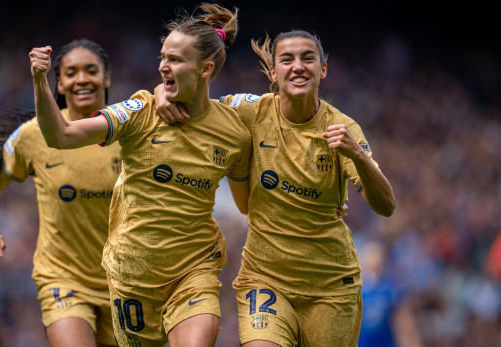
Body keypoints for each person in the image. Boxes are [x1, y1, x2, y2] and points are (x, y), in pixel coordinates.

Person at [28, 4, 251, 346]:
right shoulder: (141, 111)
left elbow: (248, 203)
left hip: (194, 273)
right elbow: (61, 135)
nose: (163, 65)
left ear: (206, 68)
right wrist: (40, 81)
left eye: (175, 59)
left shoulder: (234, 132)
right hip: (132, 277)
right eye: (163, 56)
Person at [155, 30, 396, 346]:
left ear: (323, 69)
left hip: (330, 284)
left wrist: (359, 156)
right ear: (272, 71)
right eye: (287, 59)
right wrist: (161, 91)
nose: (298, 66)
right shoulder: (251, 110)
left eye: (307, 58)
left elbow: (386, 205)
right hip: (265, 278)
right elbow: (196, 99)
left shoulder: (343, 128)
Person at [0, 39, 120, 347]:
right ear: (58, 82)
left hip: (125, 285)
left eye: (90, 70)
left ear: (107, 77)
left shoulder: (130, 131)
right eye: (70, 72)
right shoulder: (33, 135)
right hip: (63, 280)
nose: (81, 79)